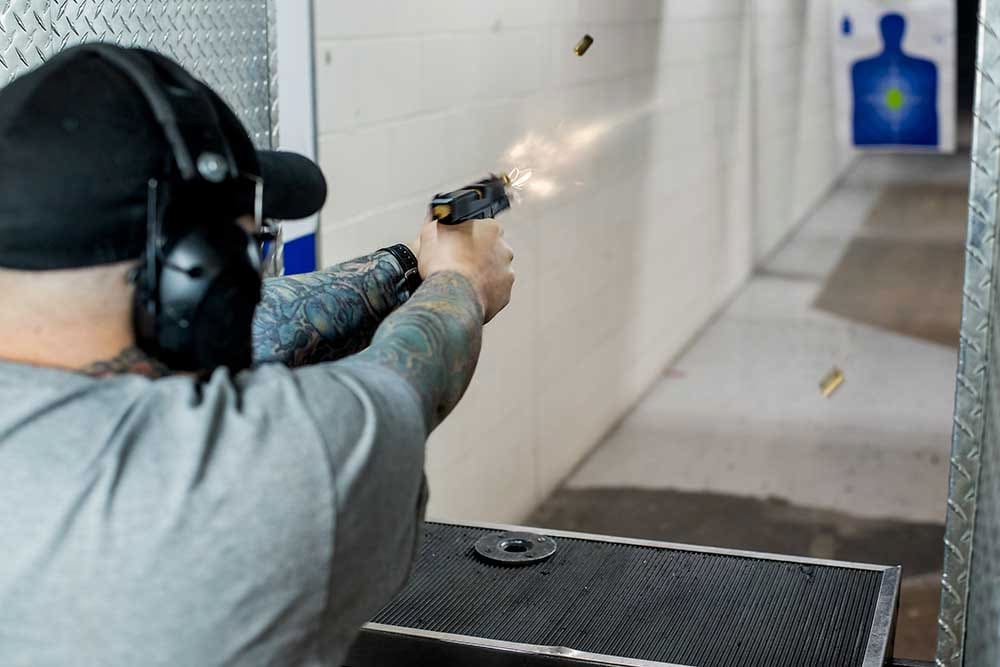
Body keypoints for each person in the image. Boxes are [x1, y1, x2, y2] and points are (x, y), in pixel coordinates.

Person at [0, 45, 515, 666]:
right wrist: (461, 284)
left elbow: (261, 327)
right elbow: (403, 391)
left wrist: (409, 264)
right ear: (199, 275)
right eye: (249, 249)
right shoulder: (249, 476)